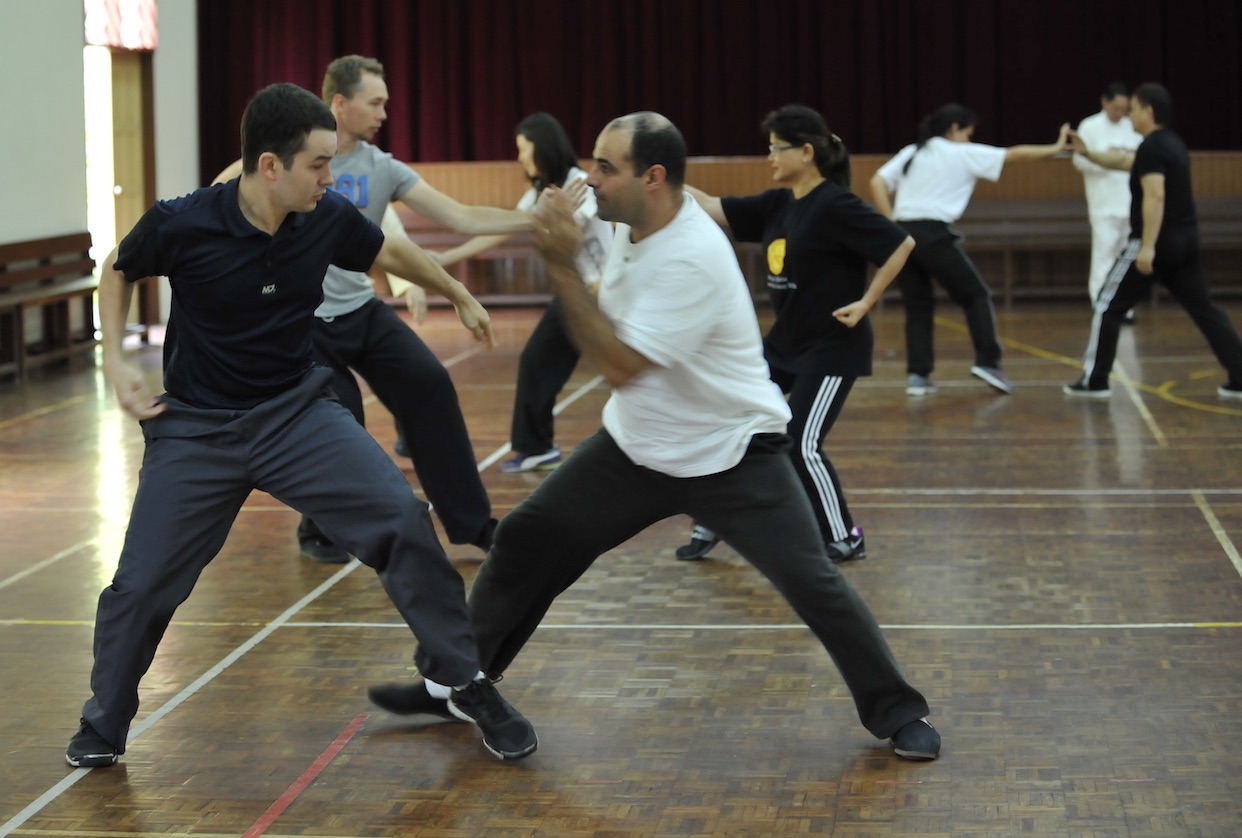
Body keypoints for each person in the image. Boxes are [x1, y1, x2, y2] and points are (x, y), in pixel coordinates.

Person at [368, 112, 942, 762]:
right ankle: (455, 680)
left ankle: (899, 712)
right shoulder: (631, 222)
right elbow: (601, 312)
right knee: (527, 539)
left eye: (607, 167)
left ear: (655, 178)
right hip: (636, 449)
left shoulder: (692, 257)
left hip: (732, 454)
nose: (592, 177)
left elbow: (618, 365)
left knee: (815, 583)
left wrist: (555, 261)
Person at [65, 83, 538, 768]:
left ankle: (464, 679)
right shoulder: (183, 222)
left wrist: (456, 289)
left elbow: (388, 253)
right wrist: (114, 362)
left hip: (295, 414)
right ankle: (104, 722)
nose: (330, 176)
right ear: (269, 166)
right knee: (140, 585)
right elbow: (118, 268)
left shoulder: (323, 217)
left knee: (402, 520)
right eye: (318, 164)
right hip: (198, 428)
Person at [216, 55, 539, 563]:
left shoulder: (381, 167)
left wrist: (534, 221)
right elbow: (218, 201)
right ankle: (320, 531)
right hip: (303, 327)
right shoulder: (281, 158)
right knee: (342, 417)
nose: (385, 111)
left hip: (362, 312)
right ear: (339, 104)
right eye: (376, 102)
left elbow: (459, 215)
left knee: (429, 386)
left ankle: (473, 525)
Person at [671, 104, 913, 562]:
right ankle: (715, 518)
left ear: (806, 152)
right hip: (785, 345)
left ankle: (844, 536)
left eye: (776, 148)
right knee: (731, 421)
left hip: (831, 349)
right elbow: (709, 207)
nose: (769, 157)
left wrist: (866, 302)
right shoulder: (778, 204)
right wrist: (661, 178)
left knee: (800, 442)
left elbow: (901, 244)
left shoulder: (837, 205)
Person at [427, 112, 612, 473]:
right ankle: (535, 446)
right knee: (537, 361)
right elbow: (499, 230)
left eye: (524, 150)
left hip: (603, 291)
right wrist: (445, 258)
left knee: (622, 371)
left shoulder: (577, 184)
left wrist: (558, 220)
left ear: (543, 148)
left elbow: (582, 229)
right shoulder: (541, 193)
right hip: (578, 293)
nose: (520, 158)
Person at [870, 105, 1070, 396]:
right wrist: (1055, 147)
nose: (968, 138)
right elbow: (1014, 155)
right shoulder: (960, 152)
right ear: (954, 129)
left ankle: (918, 375)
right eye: (967, 133)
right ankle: (988, 362)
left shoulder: (913, 151)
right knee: (975, 295)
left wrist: (891, 225)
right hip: (932, 234)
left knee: (918, 307)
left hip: (902, 236)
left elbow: (877, 181)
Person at [1063, 83, 1242, 399]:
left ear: (1148, 111)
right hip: (1185, 241)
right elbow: (1122, 163)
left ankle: (1095, 380)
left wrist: (1147, 247)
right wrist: (1088, 152)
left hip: (1157, 242)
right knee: (1205, 309)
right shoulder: (1170, 144)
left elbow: (1155, 196)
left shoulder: (1152, 148)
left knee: (1107, 304)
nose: (1129, 114)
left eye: (1133, 108)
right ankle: (1240, 376)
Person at [1073, 82, 1143, 320]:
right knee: (1104, 256)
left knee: (1127, 259)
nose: (1120, 113)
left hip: (1131, 203)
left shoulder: (1132, 127)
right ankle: (1101, 303)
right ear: (1104, 102)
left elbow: (1144, 158)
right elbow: (1079, 162)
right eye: (1115, 108)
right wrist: (1107, 157)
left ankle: (1126, 307)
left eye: (1125, 109)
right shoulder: (1089, 126)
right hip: (1103, 204)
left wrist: (1126, 157)